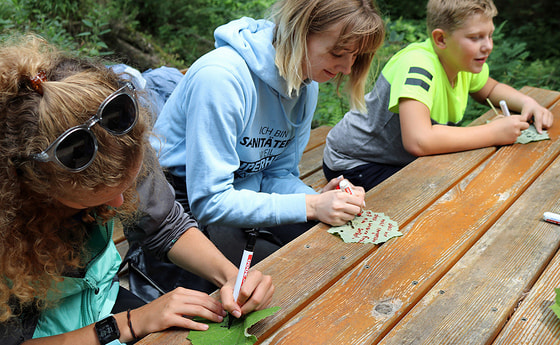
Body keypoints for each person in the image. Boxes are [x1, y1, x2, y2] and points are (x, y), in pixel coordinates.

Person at [0, 35, 273, 345]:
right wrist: (129, 323)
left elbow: (165, 224)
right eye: (95, 200)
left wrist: (231, 276)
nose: (120, 202)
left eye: (127, 184)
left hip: (102, 305)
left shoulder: (113, 131)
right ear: (30, 186)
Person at [151, 0, 385, 265]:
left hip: (242, 197)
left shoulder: (305, 83)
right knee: (303, 270)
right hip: (178, 210)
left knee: (344, 253)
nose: (346, 68)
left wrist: (319, 200)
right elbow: (209, 201)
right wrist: (310, 205)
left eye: (354, 57)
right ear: (298, 31)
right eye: (338, 53)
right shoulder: (220, 79)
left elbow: (276, 173)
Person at [322, 0, 554, 192]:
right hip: (356, 162)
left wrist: (528, 103)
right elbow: (418, 140)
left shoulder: (461, 61)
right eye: (475, 38)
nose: (487, 46)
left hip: (396, 158)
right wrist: (493, 132)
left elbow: (489, 89)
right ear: (441, 39)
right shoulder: (418, 65)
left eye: (490, 35)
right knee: (448, 192)